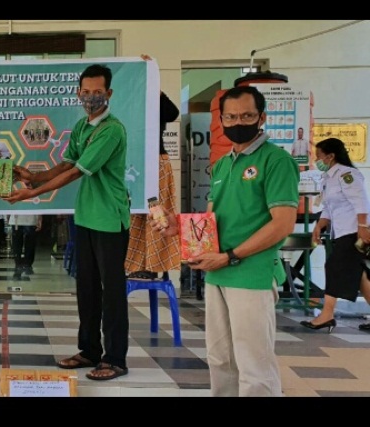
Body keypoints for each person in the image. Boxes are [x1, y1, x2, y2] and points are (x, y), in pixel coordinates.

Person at [152, 85, 299, 397]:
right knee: (220, 360)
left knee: (253, 364)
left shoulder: (275, 161)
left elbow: (283, 223)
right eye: (230, 117)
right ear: (221, 120)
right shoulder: (221, 165)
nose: (238, 122)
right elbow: (211, 219)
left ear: (262, 117)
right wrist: (177, 228)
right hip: (218, 273)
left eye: (246, 115)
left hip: (252, 274)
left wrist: (230, 255)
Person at [5, 64, 131, 381]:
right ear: (78, 94)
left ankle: (115, 358)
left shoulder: (111, 130)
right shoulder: (81, 127)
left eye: (97, 93)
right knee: (86, 288)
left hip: (110, 220)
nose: (91, 98)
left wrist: (28, 195)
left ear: (109, 94)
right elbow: (65, 164)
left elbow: (75, 173)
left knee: (111, 291)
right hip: (86, 217)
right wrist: (32, 177)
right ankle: (89, 351)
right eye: (86, 92)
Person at [303, 138, 370, 332]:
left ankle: (327, 314)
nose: (317, 160)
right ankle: (327, 314)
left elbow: (361, 202)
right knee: (361, 276)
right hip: (341, 231)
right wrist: (319, 225)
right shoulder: (328, 178)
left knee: (333, 266)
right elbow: (329, 207)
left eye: (319, 156)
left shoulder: (347, 174)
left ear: (331, 156)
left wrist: (363, 227)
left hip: (354, 231)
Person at [125, 87, 181, 280]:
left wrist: (155, 86)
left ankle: (154, 265)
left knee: (156, 214)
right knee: (133, 216)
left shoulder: (153, 101)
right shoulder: (122, 105)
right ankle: (134, 265)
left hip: (155, 161)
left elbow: (172, 113)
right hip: (130, 164)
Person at [9, 214, 42, 279]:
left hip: (30, 217)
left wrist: (39, 218)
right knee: (18, 244)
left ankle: (26, 265)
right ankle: (20, 265)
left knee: (29, 243)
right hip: (17, 218)